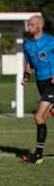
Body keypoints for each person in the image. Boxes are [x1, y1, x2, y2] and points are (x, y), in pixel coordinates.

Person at [21, 15, 54, 164]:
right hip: (40, 83)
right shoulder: (27, 45)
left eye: (32, 24)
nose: (29, 27)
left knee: (39, 116)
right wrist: (26, 75)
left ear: (40, 25)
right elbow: (29, 64)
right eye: (28, 25)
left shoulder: (51, 41)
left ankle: (38, 155)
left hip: (52, 83)